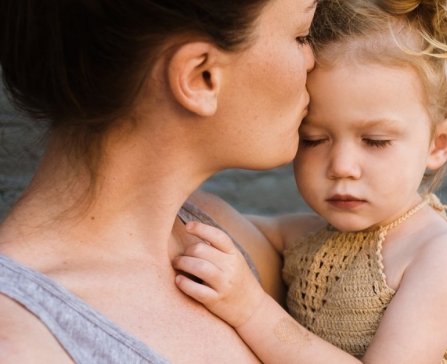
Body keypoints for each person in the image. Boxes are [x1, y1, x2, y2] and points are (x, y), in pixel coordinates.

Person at [173, 0, 447, 363]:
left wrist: (251, 310)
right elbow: (220, 223)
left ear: (439, 144)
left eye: (375, 141)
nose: (342, 166)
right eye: (313, 139)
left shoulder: (440, 256)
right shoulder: (307, 238)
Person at [0, 0, 316, 362]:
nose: (314, 60)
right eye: (301, 36)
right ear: (201, 76)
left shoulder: (217, 233)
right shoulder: (20, 343)